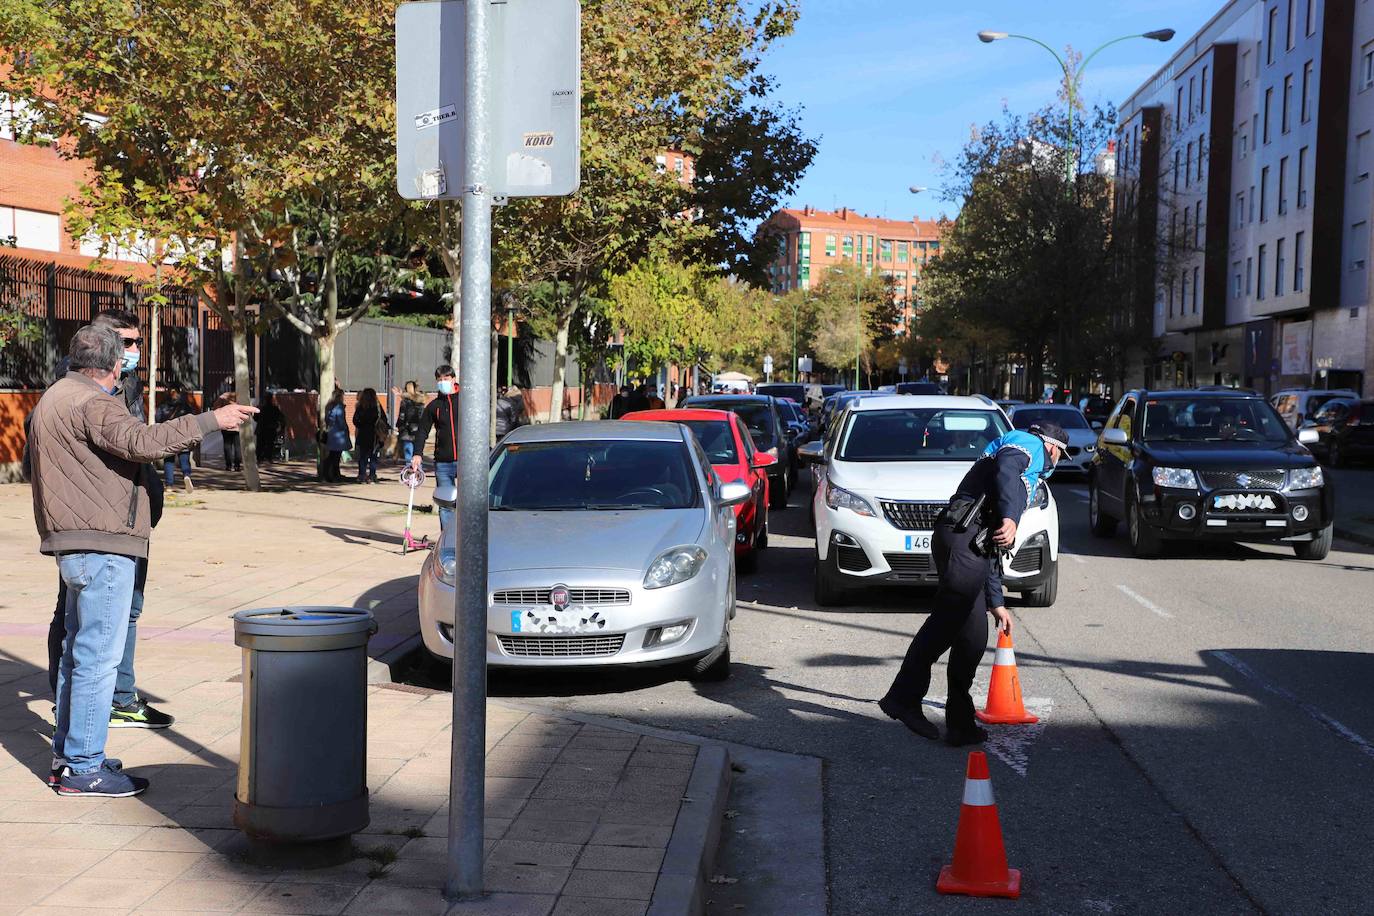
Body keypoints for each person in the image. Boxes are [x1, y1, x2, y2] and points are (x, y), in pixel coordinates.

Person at [29, 323, 256, 796]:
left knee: (77, 654)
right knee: (96, 658)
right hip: (103, 544)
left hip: (76, 541)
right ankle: (83, 766)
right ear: (114, 365)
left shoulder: (54, 396)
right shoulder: (93, 402)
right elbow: (143, 442)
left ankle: (71, 756)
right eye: (126, 353)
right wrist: (212, 420)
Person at [878, 421, 1067, 746]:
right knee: (948, 619)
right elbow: (1008, 468)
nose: (1058, 461)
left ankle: (960, 725)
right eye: (1061, 454)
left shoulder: (1025, 468)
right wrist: (1011, 516)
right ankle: (903, 698)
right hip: (962, 537)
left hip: (972, 543)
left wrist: (996, 602)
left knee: (973, 638)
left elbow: (991, 542)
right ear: (1053, 447)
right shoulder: (1028, 444)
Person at [410, 365, 459, 531]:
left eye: (446, 379)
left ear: (453, 379)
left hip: (467, 461)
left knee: (470, 503)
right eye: (439, 380)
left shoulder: (466, 400)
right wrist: (417, 454)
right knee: (445, 505)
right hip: (443, 462)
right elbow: (422, 430)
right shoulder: (434, 406)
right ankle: (448, 538)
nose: (443, 383)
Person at [158, 386, 196, 492]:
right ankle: (186, 475)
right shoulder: (186, 406)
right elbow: (192, 419)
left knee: (169, 461)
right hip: (183, 435)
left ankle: (169, 484)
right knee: (184, 458)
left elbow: (158, 419)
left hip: (168, 436)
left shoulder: (163, 406)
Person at [352, 387, 385, 483]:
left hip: (363, 434)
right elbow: (384, 419)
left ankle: (362, 475)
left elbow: (355, 420)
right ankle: (372, 475)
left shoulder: (360, 407)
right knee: (373, 456)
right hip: (374, 434)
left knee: (363, 456)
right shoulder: (377, 407)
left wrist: (361, 425)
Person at [321, 385, 350, 483]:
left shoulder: (329, 407)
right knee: (336, 457)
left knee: (332, 455)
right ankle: (334, 475)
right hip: (339, 435)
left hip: (331, 433)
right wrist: (345, 429)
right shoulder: (339, 407)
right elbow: (341, 422)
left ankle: (328, 474)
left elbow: (327, 420)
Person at [397, 381, 425, 463]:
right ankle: (418, 472)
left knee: (408, 455)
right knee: (418, 454)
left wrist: (399, 426)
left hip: (407, 431)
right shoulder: (421, 402)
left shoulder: (405, 402)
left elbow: (402, 416)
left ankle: (410, 473)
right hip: (418, 431)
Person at [255, 391, 286, 463]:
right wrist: (281, 427)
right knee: (270, 444)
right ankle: (268, 457)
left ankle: (259, 458)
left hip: (262, 428)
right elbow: (281, 418)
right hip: (270, 428)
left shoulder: (260, 408)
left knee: (260, 444)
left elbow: (255, 418)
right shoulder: (274, 408)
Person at [218, 391, 243, 470]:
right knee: (238, 446)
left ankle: (228, 465)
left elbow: (216, 407)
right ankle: (237, 465)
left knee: (227, 445)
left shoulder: (223, 396)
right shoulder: (241, 396)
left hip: (226, 425)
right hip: (238, 426)